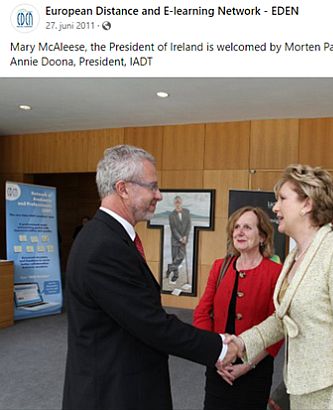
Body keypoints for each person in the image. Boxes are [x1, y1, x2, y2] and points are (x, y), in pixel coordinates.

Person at [62, 144, 238, 410]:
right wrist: (219, 348)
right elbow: (149, 322)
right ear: (123, 188)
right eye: (152, 187)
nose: (159, 195)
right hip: (112, 393)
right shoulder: (103, 246)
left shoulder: (108, 237)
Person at [229, 164, 333, 410]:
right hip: (302, 385)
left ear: (307, 204)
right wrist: (242, 342)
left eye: (282, 199)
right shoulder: (297, 253)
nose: (275, 207)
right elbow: (284, 317)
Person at [193, 206, 283, 410]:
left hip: (255, 368)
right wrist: (214, 355)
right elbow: (202, 313)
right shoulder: (220, 266)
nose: (239, 232)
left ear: (262, 236)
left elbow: (278, 326)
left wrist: (247, 365)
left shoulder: (275, 273)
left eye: (247, 227)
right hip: (218, 364)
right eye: (236, 227)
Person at [167, 195, 191, 282]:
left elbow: (188, 226)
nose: (178, 204)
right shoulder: (171, 215)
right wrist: (180, 238)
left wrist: (185, 236)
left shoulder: (187, 212)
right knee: (175, 257)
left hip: (184, 239)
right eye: (176, 202)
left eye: (179, 202)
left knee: (181, 256)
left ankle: (170, 268)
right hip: (175, 240)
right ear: (174, 203)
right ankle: (175, 275)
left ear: (181, 203)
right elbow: (173, 228)